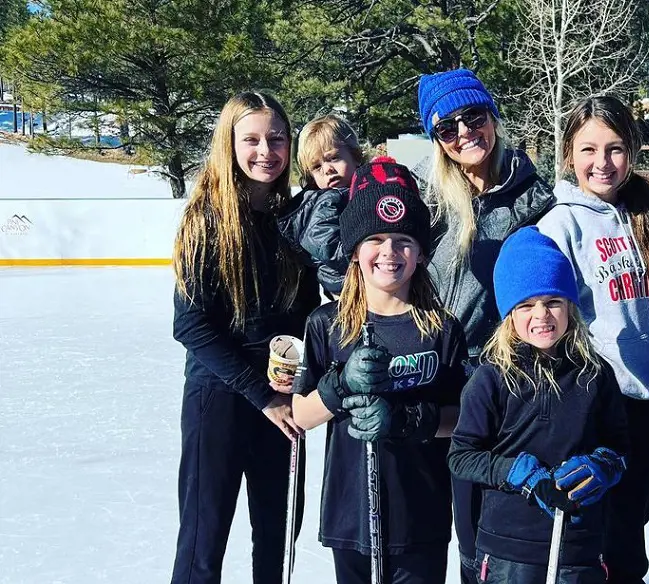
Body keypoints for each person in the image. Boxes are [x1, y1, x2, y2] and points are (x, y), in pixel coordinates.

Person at [291, 157, 469, 584]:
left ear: (422, 253)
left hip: (420, 517)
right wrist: (339, 388)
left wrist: (409, 420)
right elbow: (301, 414)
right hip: (351, 517)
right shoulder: (326, 324)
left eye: (404, 240)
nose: (389, 253)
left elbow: (463, 418)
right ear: (354, 250)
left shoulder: (441, 328)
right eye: (375, 239)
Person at [170, 91, 320, 584]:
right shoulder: (206, 220)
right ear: (228, 144)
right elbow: (190, 324)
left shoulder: (295, 219)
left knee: (277, 542)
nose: (265, 151)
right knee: (202, 541)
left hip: (283, 399)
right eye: (251, 139)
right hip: (222, 401)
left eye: (276, 139)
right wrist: (262, 397)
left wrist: (297, 388)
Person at [416, 67, 555, 582]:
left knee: (488, 525)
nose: (463, 133)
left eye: (472, 116)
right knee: (439, 520)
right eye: (446, 127)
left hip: (502, 379)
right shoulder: (430, 202)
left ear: (492, 116)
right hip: (434, 376)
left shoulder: (534, 199)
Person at [536, 95, 649, 583]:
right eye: (588, 149)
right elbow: (550, 319)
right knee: (601, 533)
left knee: (634, 519)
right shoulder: (561, 222)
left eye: (615, 148)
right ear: (569, 155)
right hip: (598, 399)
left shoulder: (647, 213)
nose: (602, 163)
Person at [448, 226, 629, 584]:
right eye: (526, 305)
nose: (541, 315)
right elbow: (461, 455)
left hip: (578, 548)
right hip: (507, 552)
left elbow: (621, 448)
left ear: (570, 307)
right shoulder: (491, 377)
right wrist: (518, 473)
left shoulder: (595, 375)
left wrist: (601, 467)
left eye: (553, 302)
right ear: (509, 315)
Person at [277, 113, 365, 296]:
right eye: (317, 167)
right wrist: (362, 258)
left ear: (355, 156)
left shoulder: (361, 190)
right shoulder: (329, 199)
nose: (328, 169)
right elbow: (321, 240)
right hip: (345, 278)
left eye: (333, 158)